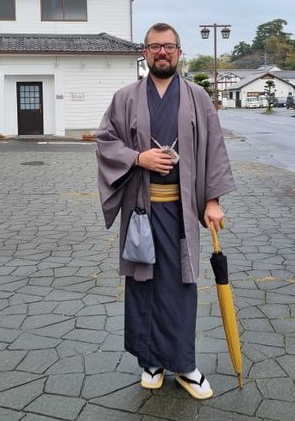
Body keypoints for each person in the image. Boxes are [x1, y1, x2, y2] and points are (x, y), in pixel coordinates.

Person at [96, 22, 235, 400]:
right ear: (144, 52)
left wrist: (212, 199)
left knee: (181, 285)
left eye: (169, 46)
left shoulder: (197, 97)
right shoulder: (124, 98)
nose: (162, 52)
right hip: (141, 210)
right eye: (154, 46)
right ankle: (151, 361)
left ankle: (185, 364)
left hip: (181, 211)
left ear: (179, 52)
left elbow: (215, 148)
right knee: (143, 284)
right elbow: (106, 141)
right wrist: (138, 157)